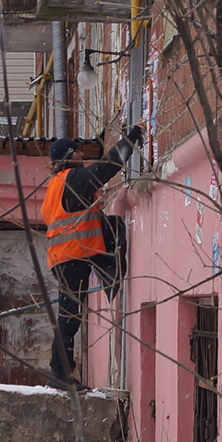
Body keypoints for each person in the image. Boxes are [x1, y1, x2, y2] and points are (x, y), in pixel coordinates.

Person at [41, 125, 142, 388]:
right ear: (68, 157)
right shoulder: (72, 178)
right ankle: (60, 373)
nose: (82, 154)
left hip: (66, 257)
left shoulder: (55, 185)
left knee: (69, 314)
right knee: (69, 316)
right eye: (77, 152)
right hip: (73, 256)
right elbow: (105, 168)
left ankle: (61, 371)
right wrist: (129, 140)